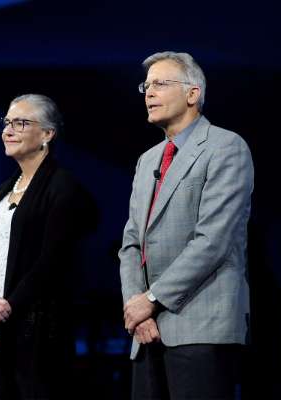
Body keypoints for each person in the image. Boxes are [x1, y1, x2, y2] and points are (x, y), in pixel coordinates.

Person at [119, 51, 254, 400]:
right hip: (146, 329)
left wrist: (151, 299)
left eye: (160, 84)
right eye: (146, 86)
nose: (149, 93)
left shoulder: (226, 147)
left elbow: (213, 241)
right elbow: (132, 242)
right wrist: (137, 305)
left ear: (193, 94)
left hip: (200, 326)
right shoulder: (147, 159)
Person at [0, 94, 96, 399]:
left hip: (34, 330)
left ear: (47, 134)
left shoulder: (63, 186)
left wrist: (1, 315)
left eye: (20, 123)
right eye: (6, 122)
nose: (8, 130)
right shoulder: (4, 189)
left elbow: (51, 263)